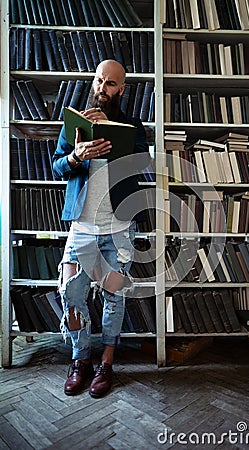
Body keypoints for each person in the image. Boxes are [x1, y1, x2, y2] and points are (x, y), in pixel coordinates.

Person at [52, 59, 150, 398]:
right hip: (82, 226)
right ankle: (81, 360)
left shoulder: (134, 126)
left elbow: (142, 165)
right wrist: (76, 156)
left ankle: (107, 362)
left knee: (114, 295)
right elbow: (57, 165)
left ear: (121, 90)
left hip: (119, 226)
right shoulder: (75, 123)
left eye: (110, 83)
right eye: (99, 80)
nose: (101, 87)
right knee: (71, 293)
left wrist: (111, 130)